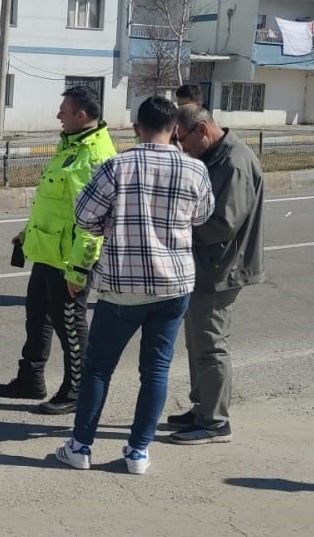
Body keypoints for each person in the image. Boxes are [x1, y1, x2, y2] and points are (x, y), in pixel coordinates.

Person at [55, 96, 214, 475]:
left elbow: (84, 215)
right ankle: (138, 452)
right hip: (174, 286)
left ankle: (80, 447)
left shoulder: (117, 166)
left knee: (98, 368)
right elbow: (202, 216)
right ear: (175, 129)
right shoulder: (194, 169)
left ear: (137, 128)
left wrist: (110, 225)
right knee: (156, 370)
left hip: (123, 285)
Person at [0, 85, 118, 415]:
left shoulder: (94, 156)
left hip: (69, 260)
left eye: (64, 109)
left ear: (82, 115)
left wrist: (79, 270)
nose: (58, 114)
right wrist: (27, 234)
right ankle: (30, 379)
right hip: (47, 252)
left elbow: (94, 220)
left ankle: (78, 390)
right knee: (37, 320)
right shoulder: (70, 146)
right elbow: (55, 203)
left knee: (70, 328)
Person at [166, 106, 265, 444]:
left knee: (211, 345)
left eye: (184, 140)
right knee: (198, 342)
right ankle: (202, 408)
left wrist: (178, 222)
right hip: (206, 266)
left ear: (203, 129)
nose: (183, 147)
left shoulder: (234, 164)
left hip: (222, 268)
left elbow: (222, 224)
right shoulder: (216, 157)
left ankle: (215, 422)